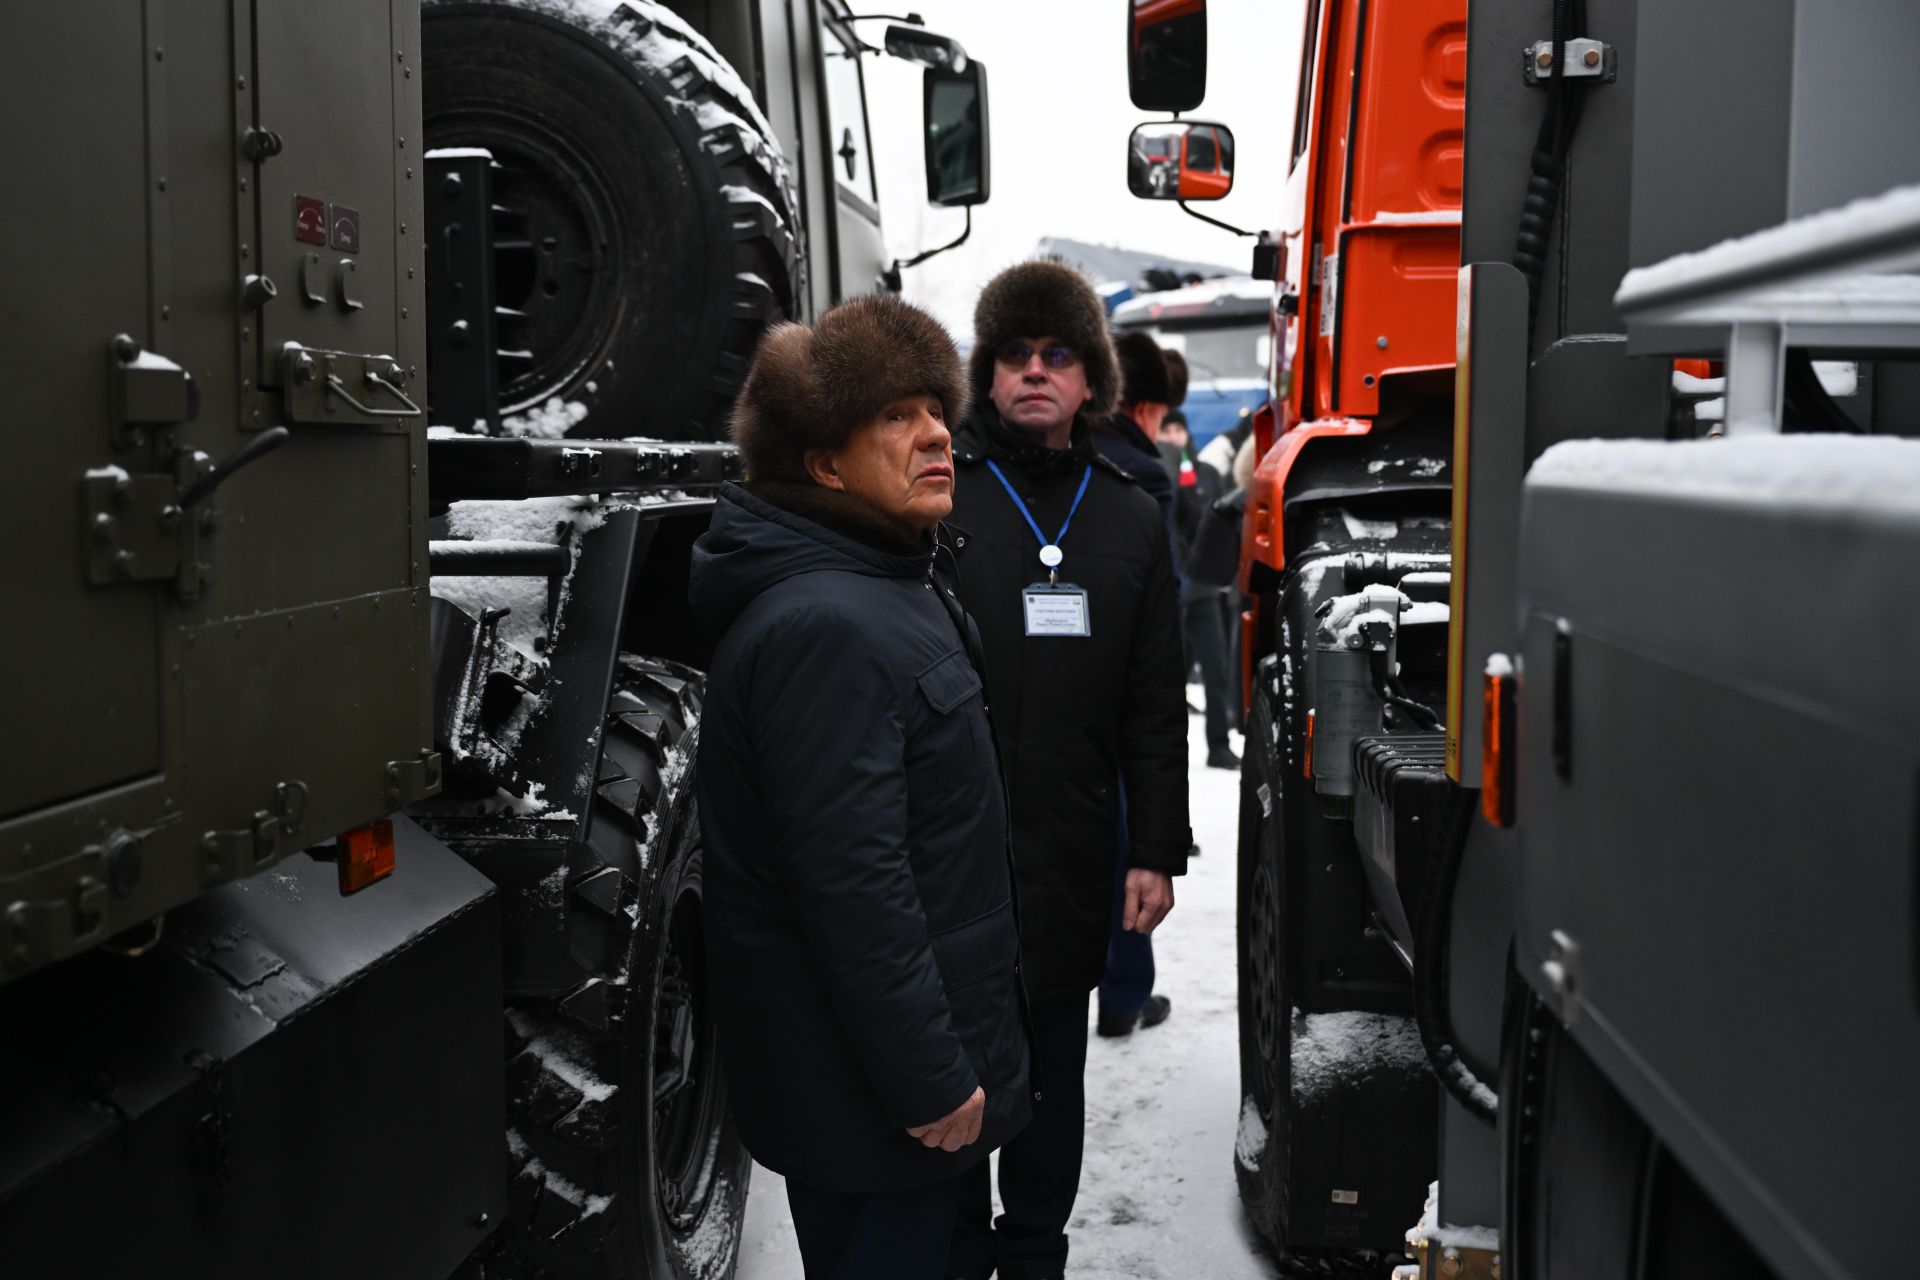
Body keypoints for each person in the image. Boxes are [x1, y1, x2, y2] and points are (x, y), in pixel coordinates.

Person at [690, 294, 1031, 1280]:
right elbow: (853, 887)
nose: (936, 434)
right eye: (894, 415)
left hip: (913, 1084)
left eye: (936, 410)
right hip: (880, 1102)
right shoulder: (825, 626)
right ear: (824, 465)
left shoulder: (890, 585)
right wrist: (927, 1076)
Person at [946, 260, 1192, 1280]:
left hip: (1070, 848)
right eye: (1015, 355)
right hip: (951, 853)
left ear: (1092, 379)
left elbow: (1155, 701)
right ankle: (957, 1253)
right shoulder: (939, 492)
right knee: (953, 1077)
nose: (1035, 372)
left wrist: (1155, 849)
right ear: (988, 375)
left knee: (1052, 1076)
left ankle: (1033, 1253)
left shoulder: (1130, 513)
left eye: (1057, 355)